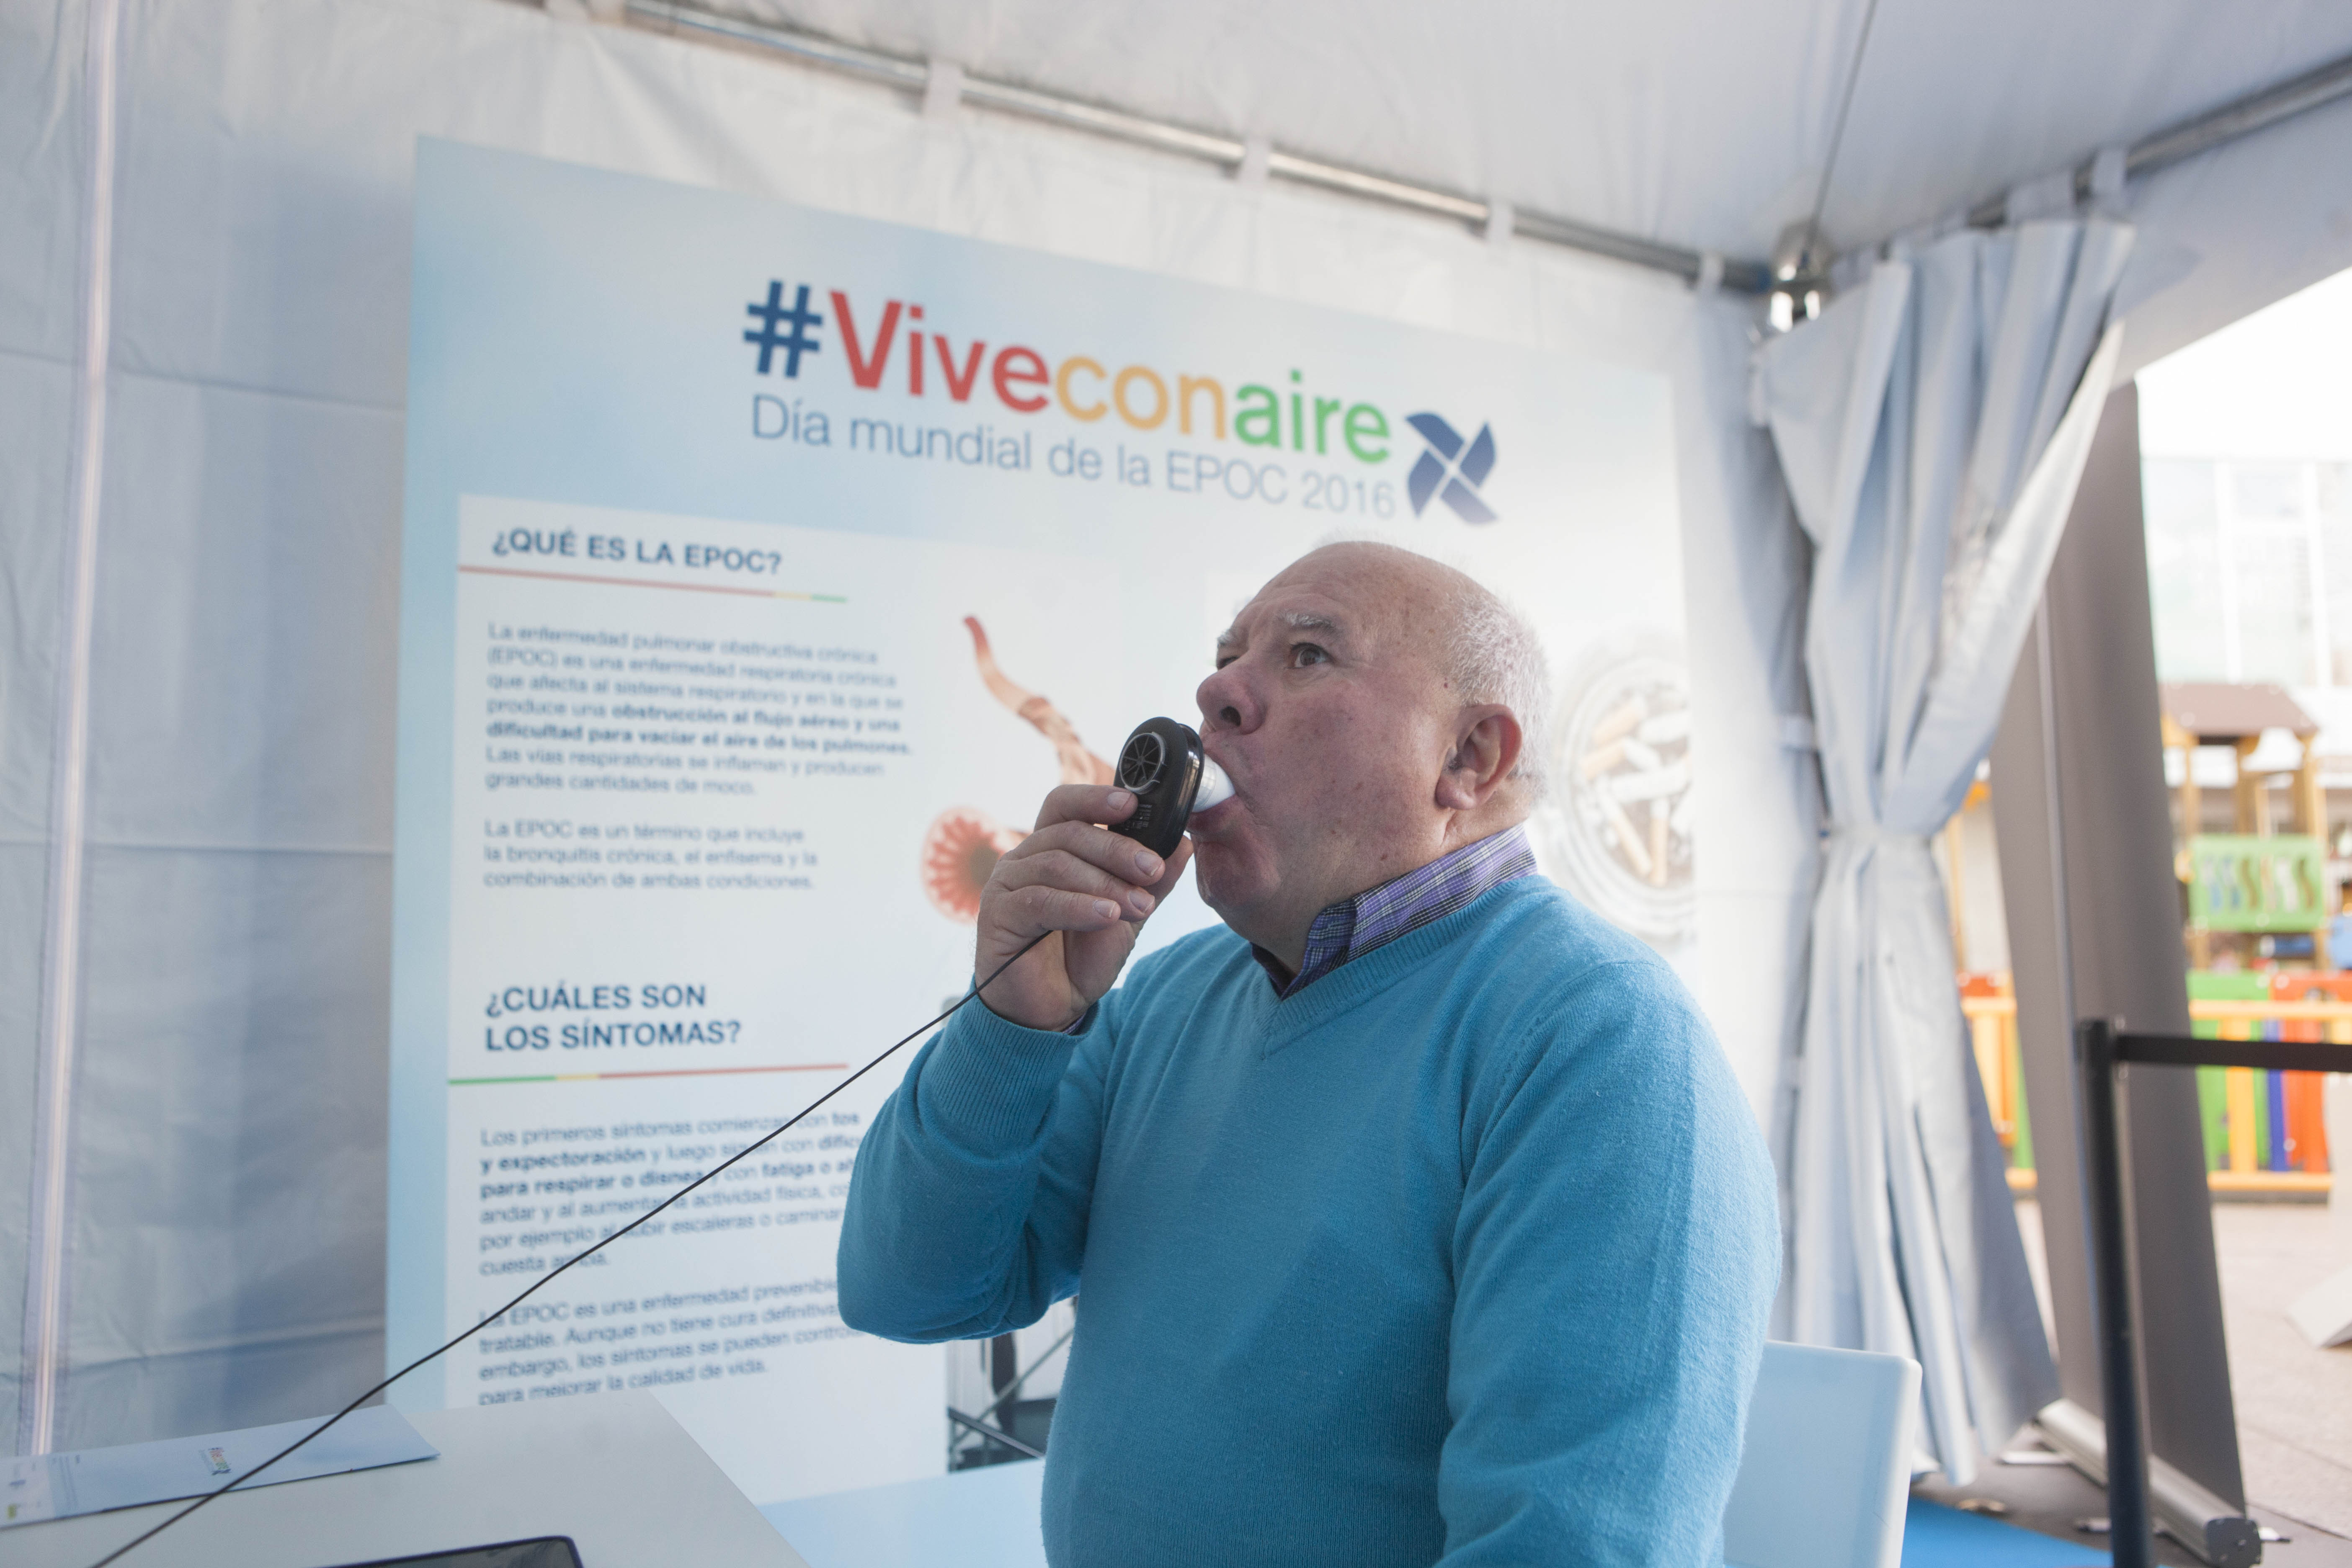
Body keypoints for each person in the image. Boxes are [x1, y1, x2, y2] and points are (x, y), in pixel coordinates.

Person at [839, 542, 1777, 1567]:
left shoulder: (1603, 1048)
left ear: (1469, 758)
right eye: (1226, 657)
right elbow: (909, 1290)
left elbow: (1570, 1547)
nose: (1216, 694)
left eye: (1309, 655)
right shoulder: (1166, 996)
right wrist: (1013, 1025)